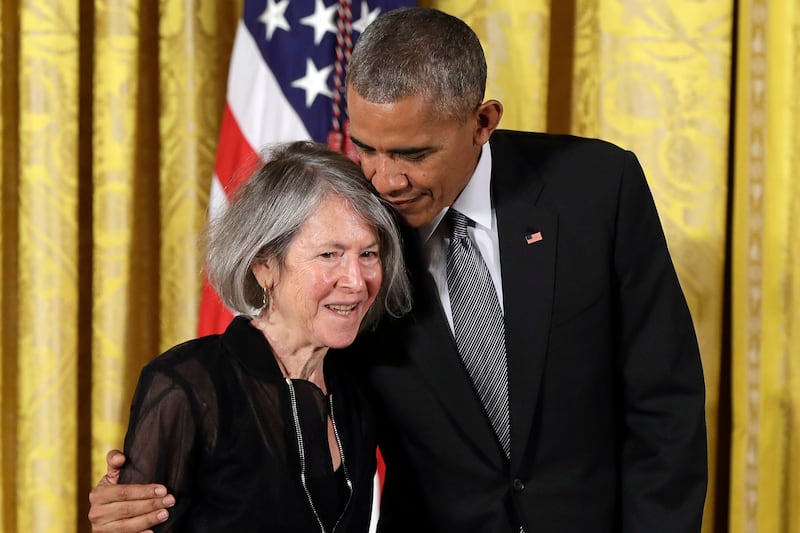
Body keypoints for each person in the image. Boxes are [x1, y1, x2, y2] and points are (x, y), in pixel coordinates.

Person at [89, 7, 708, 532]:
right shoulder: (359, 229)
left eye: (413, 153)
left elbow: (664, 401)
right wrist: (147, 492)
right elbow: (278, 421)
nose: (385, 179)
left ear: (482, 123)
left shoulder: (597, 188)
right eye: (367, 148)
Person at [88, 140, 412, 532]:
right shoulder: (186, 385)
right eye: (329, 255)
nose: (356, 281)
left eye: (369, 254)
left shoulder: (360, 385)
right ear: (264, 266)